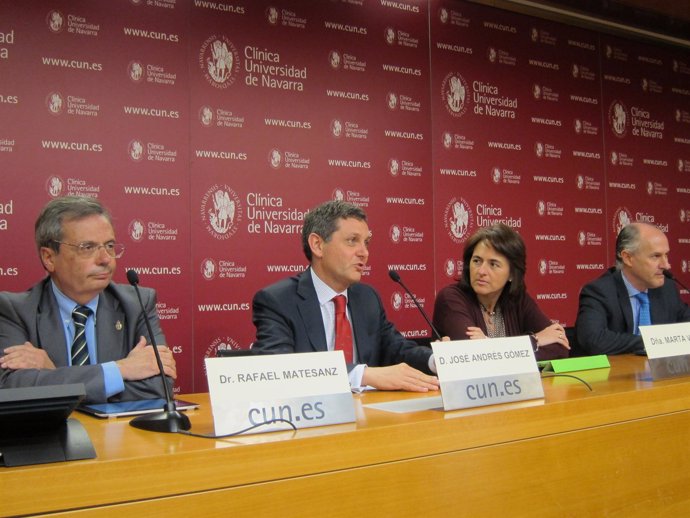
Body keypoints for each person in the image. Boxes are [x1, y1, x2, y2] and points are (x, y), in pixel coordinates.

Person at [0, 196, 176, 402]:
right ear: (49, 258)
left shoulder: (137, 304)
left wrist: (54, 373)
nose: (105, 259)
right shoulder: (15, 310)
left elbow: (159, 387)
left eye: (109, 246)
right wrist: (119, 370)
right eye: (87, 247)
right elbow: (11, 389)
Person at [251, 200, 440, 392]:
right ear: (317, 245)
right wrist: (363, 375)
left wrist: (437, 360)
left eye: (366, 243)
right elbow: (277, 370)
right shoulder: (278, 301)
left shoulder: (367, 298)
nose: (364, 253)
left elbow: (397, 349)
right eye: (352, 241)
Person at [433, 224, 569, 361]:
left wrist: (490, 345)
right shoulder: (451, 299)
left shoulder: (517, 300)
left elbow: (560, 348)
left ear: (512, 274)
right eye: (476, 261)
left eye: (493, 264)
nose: (481, 271)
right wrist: (536, 340)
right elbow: (474, 357)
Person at [576, 222, 690, 355]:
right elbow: (593, 340)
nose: (667, 265)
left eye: (666, 255)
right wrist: (653, 341)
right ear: (628, 258)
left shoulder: (667, 288)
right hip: (618, 373)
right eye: (656, 256)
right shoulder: (599, 292)